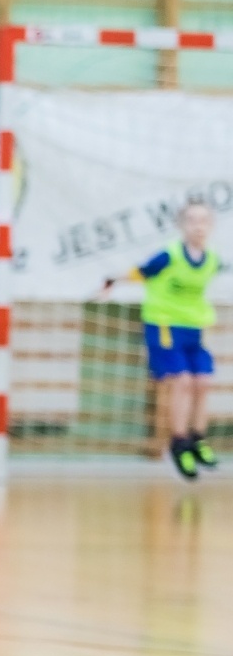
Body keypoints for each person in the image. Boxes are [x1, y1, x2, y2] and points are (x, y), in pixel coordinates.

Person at [105, 202, 220, 480]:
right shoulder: (169, 256)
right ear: (182, 225)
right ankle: (178, 443)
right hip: (165, 326)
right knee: (182, 382)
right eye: (192, 220)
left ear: (211, 226)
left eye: (203, 220)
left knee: (203, 382)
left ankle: (197, 439)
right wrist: (112, 280)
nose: (198, 226)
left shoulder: (212, 260)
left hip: (194, 328)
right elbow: (141, 272)